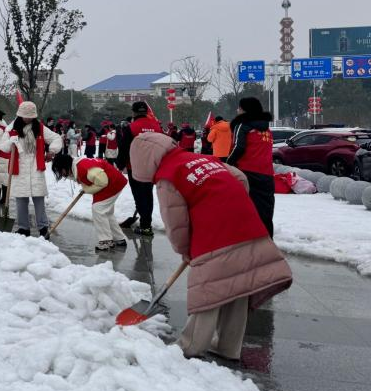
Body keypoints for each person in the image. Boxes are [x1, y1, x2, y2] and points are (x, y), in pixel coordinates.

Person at [130, 132, 292, 360]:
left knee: (208, 290)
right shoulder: (201, 158)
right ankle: (228, 346)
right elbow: (240, 178)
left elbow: (176, 223)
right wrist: (228, 201)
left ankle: (190, 347)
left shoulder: (168, 176)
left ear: (143, 160)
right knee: (238, 286)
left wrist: (185, 250)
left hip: (215, 234)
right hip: (247, 224)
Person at [0, 101, 63, 237]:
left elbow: (56, 138)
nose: (28, 119)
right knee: (21, 200)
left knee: (39, 199)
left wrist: (52, 151)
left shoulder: (39, 127)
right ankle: (23, 228)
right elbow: (3, 147)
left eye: (30, 116)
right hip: (19, 167)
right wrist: (11, 141)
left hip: (35, 167)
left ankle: (43, 227)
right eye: (25, 116)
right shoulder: (11, 129)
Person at [52, 153, 128, 251]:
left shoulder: (83, 168)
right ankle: (119, 239)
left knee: (98, 210)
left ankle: (106, 241)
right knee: (106, 212)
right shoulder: (76, 167)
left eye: (60, 170)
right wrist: (86, 187)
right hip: (110, 182)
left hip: (112, 182)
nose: (61, 174)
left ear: (65, 165)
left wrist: (87, 189)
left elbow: (103, 181)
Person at [226, 97, 275, 237]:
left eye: (239, 108)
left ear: (245, 110)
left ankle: (248, 241)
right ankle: (267, 240)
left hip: (247, 173)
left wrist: (227, 164)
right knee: (265, 210)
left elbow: (238, 147)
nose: (237, 110)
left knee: (245, 208)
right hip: (267, 175)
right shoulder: (267, 129)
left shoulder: (242, 125)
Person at [123, 102, 163, 236]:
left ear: (133, 112)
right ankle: (146, 224)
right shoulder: (157, 127)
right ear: (146, 112)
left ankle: (145, 226)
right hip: (152, 166)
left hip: (134, 167)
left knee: (139, 196)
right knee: (147, 194)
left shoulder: (131, 127)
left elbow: (124, 148)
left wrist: (120, 164)